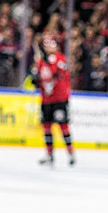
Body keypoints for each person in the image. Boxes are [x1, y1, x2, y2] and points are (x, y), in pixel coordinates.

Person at [32, 35, 76, 167]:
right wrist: (35, 78)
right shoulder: (41, 62)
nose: (49, 47)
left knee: (63, 125)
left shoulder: (60, 59)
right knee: (46, 127)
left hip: (59, 98)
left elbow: (59, 74)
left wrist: (50, 63)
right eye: (46, 44)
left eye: (52, 44)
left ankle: (70, 153)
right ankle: (49, 154)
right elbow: (39, 79)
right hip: (46, 99)